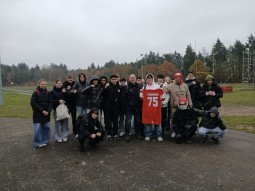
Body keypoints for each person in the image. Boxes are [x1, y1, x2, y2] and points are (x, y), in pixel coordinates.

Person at [165, 72, 192, 137]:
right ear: (174, 78)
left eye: (179, 78)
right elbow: (164, 90)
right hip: (174, 106)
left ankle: (183, 131)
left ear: (181, 78)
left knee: (184, 119)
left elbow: (188, 95)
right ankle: (174, 131)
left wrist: (190, 103)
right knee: (174, 118)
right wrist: (159, 87)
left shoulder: (185, 85)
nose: (178, 79)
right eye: (176, 78)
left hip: (184, 106)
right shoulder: (170, 86)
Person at [140, 73, 165, 142]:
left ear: (153, 79)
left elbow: (163, 97)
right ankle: (148, 135)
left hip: (156, 109)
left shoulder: (157, 87)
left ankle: (159, 135)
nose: (149, 80)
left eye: (151, 78)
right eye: (148, 79)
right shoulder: (144, 87)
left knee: (157, 122)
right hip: (147, 108)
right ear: (146, 80)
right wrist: (141, 92)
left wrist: (161, 92)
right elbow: (141, 97)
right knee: (148, 122)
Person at [30, 79, 52, 148]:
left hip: (46, 114)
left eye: (45, 84)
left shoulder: (48, 93)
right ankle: (38, 143)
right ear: (39, 84)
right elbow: (33, 103)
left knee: (47, 128)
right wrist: (42, 111)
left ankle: (46, 141)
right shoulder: (35, 92)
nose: (43, 85)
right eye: (42, 84)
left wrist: (48, 111)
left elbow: (51, 102)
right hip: (38, 114)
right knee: (38, 129)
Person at [122, 74, 143, 142]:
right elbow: (123, 98)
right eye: (131, 78)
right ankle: (127, 134)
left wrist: (140, 106)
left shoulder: (140, 86)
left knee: (137, 122)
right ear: (129, 79)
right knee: (128, 122)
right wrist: (126, 107)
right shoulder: (126, 87)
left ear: (136, 78)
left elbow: (142, 97)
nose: (133, 79)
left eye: (134, 78)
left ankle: (138, 134)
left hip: (137, 108)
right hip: (129, 108)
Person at [101, 74, 121, 140]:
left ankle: (115, 134)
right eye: (112, 79)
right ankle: (109, 133)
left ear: (116, 79)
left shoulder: (119, 86)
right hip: (108, 107)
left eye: (115, 79)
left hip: (116, 107)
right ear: (110, 80)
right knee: (108, 121)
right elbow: (102, 94)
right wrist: (105, 88)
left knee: (115, 121)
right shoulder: (107, 86)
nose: (113, 80)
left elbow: (120, 97)